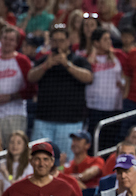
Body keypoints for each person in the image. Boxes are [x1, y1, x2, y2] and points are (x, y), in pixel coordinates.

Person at [28, 25, 93, 159]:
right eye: (55, 40)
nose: (58, 44)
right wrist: (46, 65)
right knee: (39, 158)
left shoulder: (78, 60)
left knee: (66, 161)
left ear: (68, 41)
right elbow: (30, 77)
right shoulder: (44, 60)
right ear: (50, 42)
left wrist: (67, 64)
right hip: (44, 120)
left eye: (61, 40)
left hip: (70, 121)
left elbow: (89, 77)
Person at [0, 27, 34, 147]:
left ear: (16, 43)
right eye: (5, 38)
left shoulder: (22, 61)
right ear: (0, 40)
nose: (7, 42)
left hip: (15, 114)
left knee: (14, 150)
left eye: (11, 40)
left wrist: (11, 97)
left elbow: (32, 89)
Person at [85, 27, 124, 145]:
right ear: (96, 43)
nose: (109, 42)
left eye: (109, 39)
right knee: (94, 142)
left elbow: (125, 77)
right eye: (105, 39)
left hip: (114, 107)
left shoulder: (118, 56)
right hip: (94, 107)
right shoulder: (87, 59)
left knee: (110, 143)